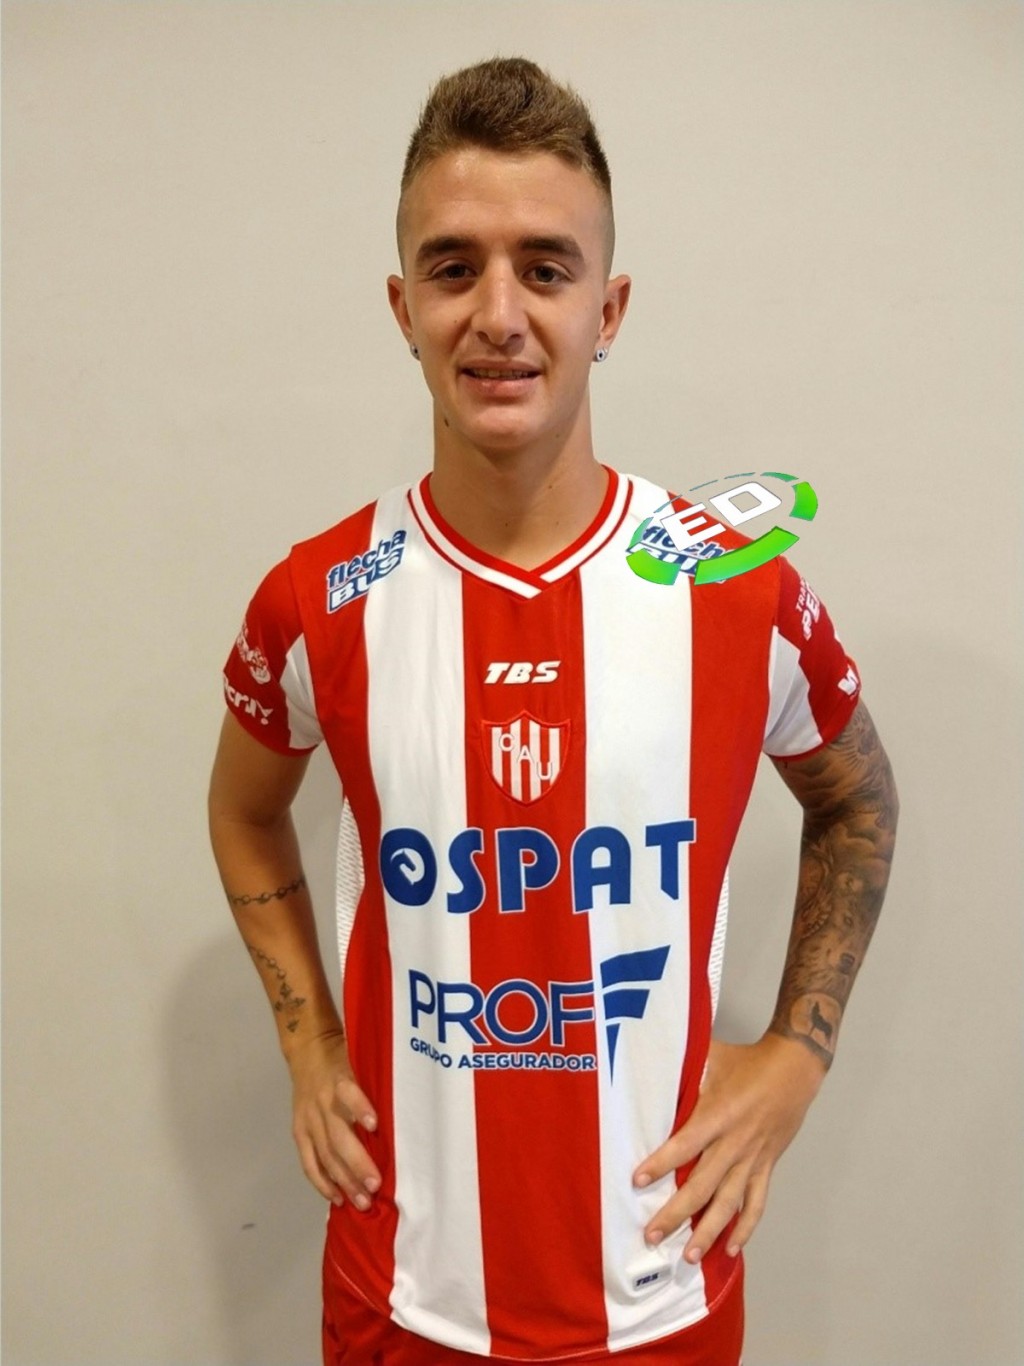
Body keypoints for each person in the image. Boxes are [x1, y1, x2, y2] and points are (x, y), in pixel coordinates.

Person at [208, 57, 898, 1366]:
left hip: (661, 1289)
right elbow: (243, 814)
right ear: (403, 305)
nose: (499, 315)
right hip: (402, 1292)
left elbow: (858, 801)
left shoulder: (733, 586)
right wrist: (309, 1040)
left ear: (608, 306)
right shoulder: (319, 596)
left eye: (545, 267)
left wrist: (798, 1054)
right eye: (454, 267)